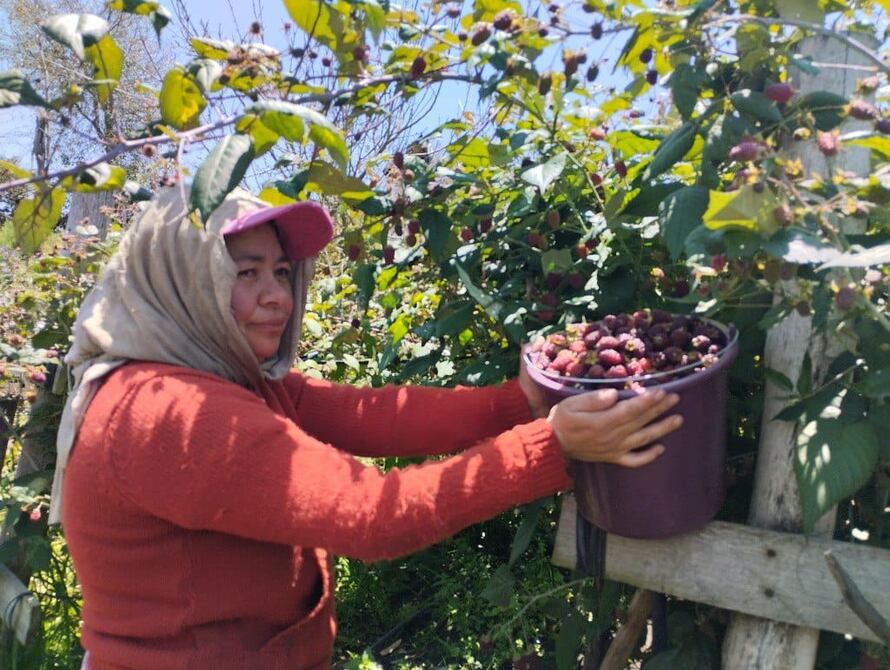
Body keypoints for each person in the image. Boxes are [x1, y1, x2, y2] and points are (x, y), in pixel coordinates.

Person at [52, 186, 682, 670]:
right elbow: (373, 516)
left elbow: (371, 413)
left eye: (281, 272)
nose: (278, 297)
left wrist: (520, 400)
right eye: (244, 273)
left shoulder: (230, 382)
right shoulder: (165, 412)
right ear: (182, 282)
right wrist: (548, 447)